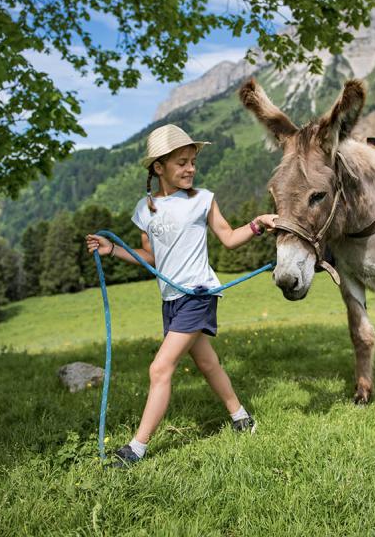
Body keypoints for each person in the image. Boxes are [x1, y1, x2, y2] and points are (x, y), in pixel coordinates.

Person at [86, 124, 277, 468]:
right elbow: (152, 258)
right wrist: (112, 249)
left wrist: (258, 224)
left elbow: (230, 238)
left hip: (198, 294)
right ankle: (241, 418)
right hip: (171, 299)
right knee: (206, 362)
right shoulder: (145, 209)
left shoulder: (203, 200)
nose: (190, 168)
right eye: (181, 162)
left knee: (160, 368)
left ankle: (136, 449)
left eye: (192, 162)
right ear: (158, 168)